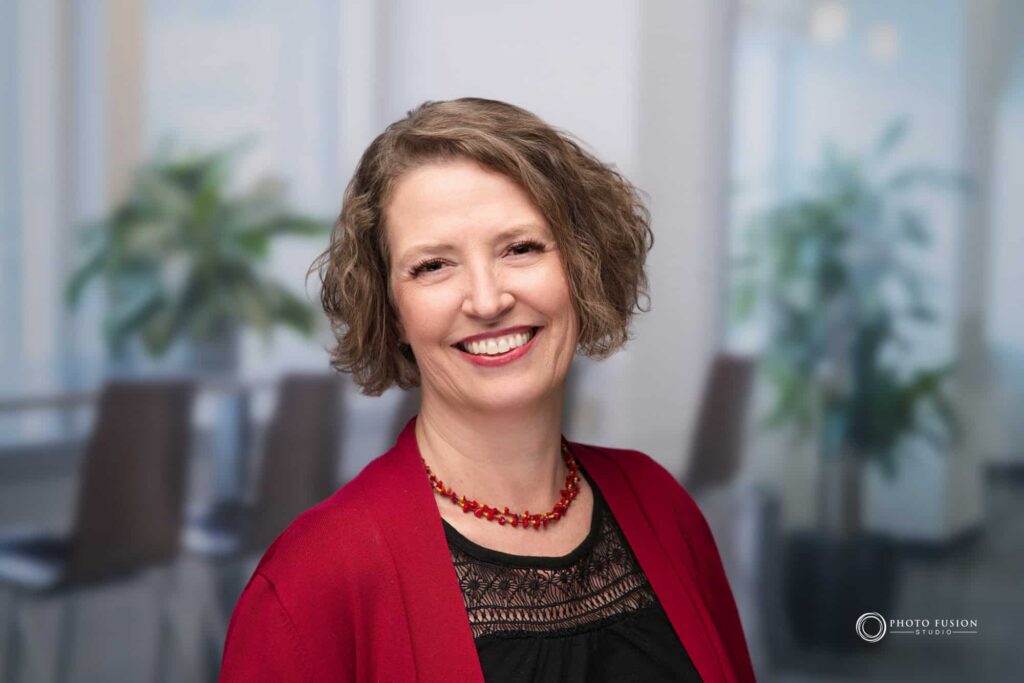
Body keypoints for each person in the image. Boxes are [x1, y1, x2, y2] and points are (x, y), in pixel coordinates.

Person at [218, 98, 756, 683]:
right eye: (432, 266)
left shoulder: (661, 506)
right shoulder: (312, 582)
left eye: (520, 248)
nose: (486, 300)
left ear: (581, 265)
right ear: (391, 310)